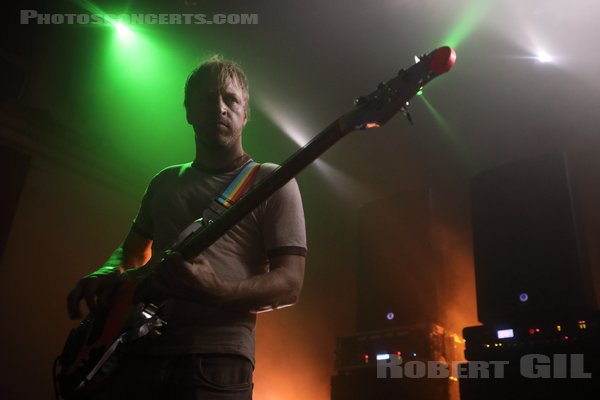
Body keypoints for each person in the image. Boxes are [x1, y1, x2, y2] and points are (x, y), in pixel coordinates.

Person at [66, 56, 307, 399]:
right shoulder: (164, 181)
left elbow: (290, 284)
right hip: (135, 353)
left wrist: (219, 290)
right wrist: (105, 272)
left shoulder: (273, 181)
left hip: (217, 362)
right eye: (208, 99)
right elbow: (132, 251)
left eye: (230, 99)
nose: (220, 108)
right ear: (189, 112)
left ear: (245, 113)